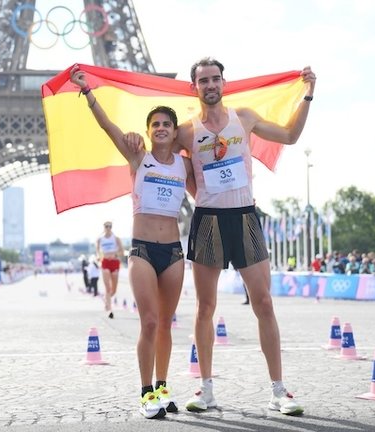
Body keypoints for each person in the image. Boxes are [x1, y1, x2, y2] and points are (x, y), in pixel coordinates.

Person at [124, 57, 315, 415]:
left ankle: (278, 390)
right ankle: (207, 389)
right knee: (205, 308)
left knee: (264, 303)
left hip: (244, 217)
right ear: (194, 88)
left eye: (215, 79)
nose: (210, 85)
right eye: (203, 81)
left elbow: (290, 136)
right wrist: (135, 140)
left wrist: (307, 94)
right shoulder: (186, 132)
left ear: (224, 83)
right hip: (208, 219)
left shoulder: (245, 118)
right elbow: (158, 153)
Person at [70, 64, 195, 420]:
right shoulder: (138, 157)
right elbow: (109, 127)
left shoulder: (184, 167)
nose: (160, 128)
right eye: (154, 124)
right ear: (148, 131)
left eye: (166, 125)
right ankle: (145, 391)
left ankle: (163, 385)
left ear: (174, 132)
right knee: (150, 322)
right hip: (141, 249)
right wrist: (88, 93)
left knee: (167, 324)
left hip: (173, 251)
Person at [96, 220, 124, 319]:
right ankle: (109, 309)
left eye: (110, 226)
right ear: (103, 227)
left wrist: (115, 254)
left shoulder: (116, 238)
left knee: (114, 290)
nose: (108, 228)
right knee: (107, 288)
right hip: (105, 263)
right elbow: (97, 251)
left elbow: (122, 251)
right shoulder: (100, 239)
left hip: (115, 263)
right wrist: (99, 257)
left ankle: (107, 300)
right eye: (106, 226)